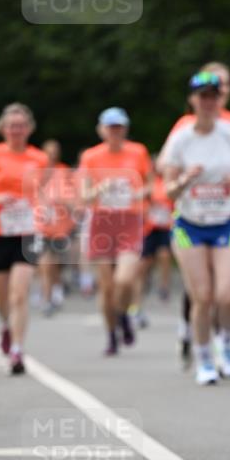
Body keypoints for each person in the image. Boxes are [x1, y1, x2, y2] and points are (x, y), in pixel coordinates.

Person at [160, 61, 230, 367]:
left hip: (226, 221)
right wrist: (185, 179)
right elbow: (168, 189)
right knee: (202, 296)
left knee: (227, 295)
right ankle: (202, 357)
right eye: (203, 96)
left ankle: (226, 343)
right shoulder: (181, 136)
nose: (209, 102)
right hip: (190, 223)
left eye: (214, 95)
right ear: (192, 100)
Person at [78, 108, 152, 355]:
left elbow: (151, 184)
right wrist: (102, 188)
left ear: (125, 129)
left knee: (125, 279)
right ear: (101, 130)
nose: (115, 132)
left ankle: (122, 315)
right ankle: (111, 334)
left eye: (119, 127)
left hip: (129, 222)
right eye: (111, 127)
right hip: (102, 223)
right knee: (107, 287)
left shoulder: (138, 152)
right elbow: (85, 195)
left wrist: (138, 193)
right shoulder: (91, 156)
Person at [0, 103, 48, 373]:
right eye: (12, 126)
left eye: (21, 125)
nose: (17, 130)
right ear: (3, 128)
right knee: (2, 297)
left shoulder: (39, 158)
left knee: (19, 294)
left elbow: (46, 191)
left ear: (29, 129)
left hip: (29, 231)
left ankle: (16, 350)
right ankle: (7, 325)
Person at [35, 139, 76, 316]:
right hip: (41, 225)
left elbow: (73, 197)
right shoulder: (36, 171)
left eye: (54, 152)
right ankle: (47, 297)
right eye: (48, 152)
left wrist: (63, 201)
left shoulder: (64, 171)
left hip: (61, 226)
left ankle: (56, 289)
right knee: (44, 264)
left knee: (55, 264)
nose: (51, 156)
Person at [131, 162, 174, 326]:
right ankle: (135, 307)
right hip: (148, 230)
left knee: (165, 255)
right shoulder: (148, 185)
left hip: (165, 228)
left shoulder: (170, 184)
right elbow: (136, 199)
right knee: (141, 268)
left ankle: (164, 286)